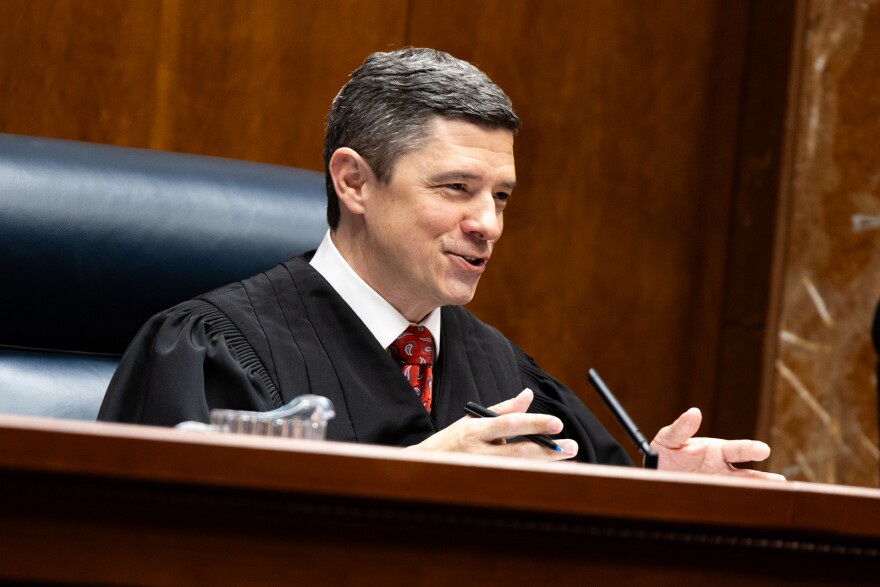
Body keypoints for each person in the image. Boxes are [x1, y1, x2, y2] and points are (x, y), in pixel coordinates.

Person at [98, 47, 782, 479]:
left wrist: (659, 485)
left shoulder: (507, 374)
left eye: (501, 196)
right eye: (456, 188)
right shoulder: (208, 350)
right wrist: (409, 481)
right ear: (355, 182)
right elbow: (167, 549)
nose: (488, 223)